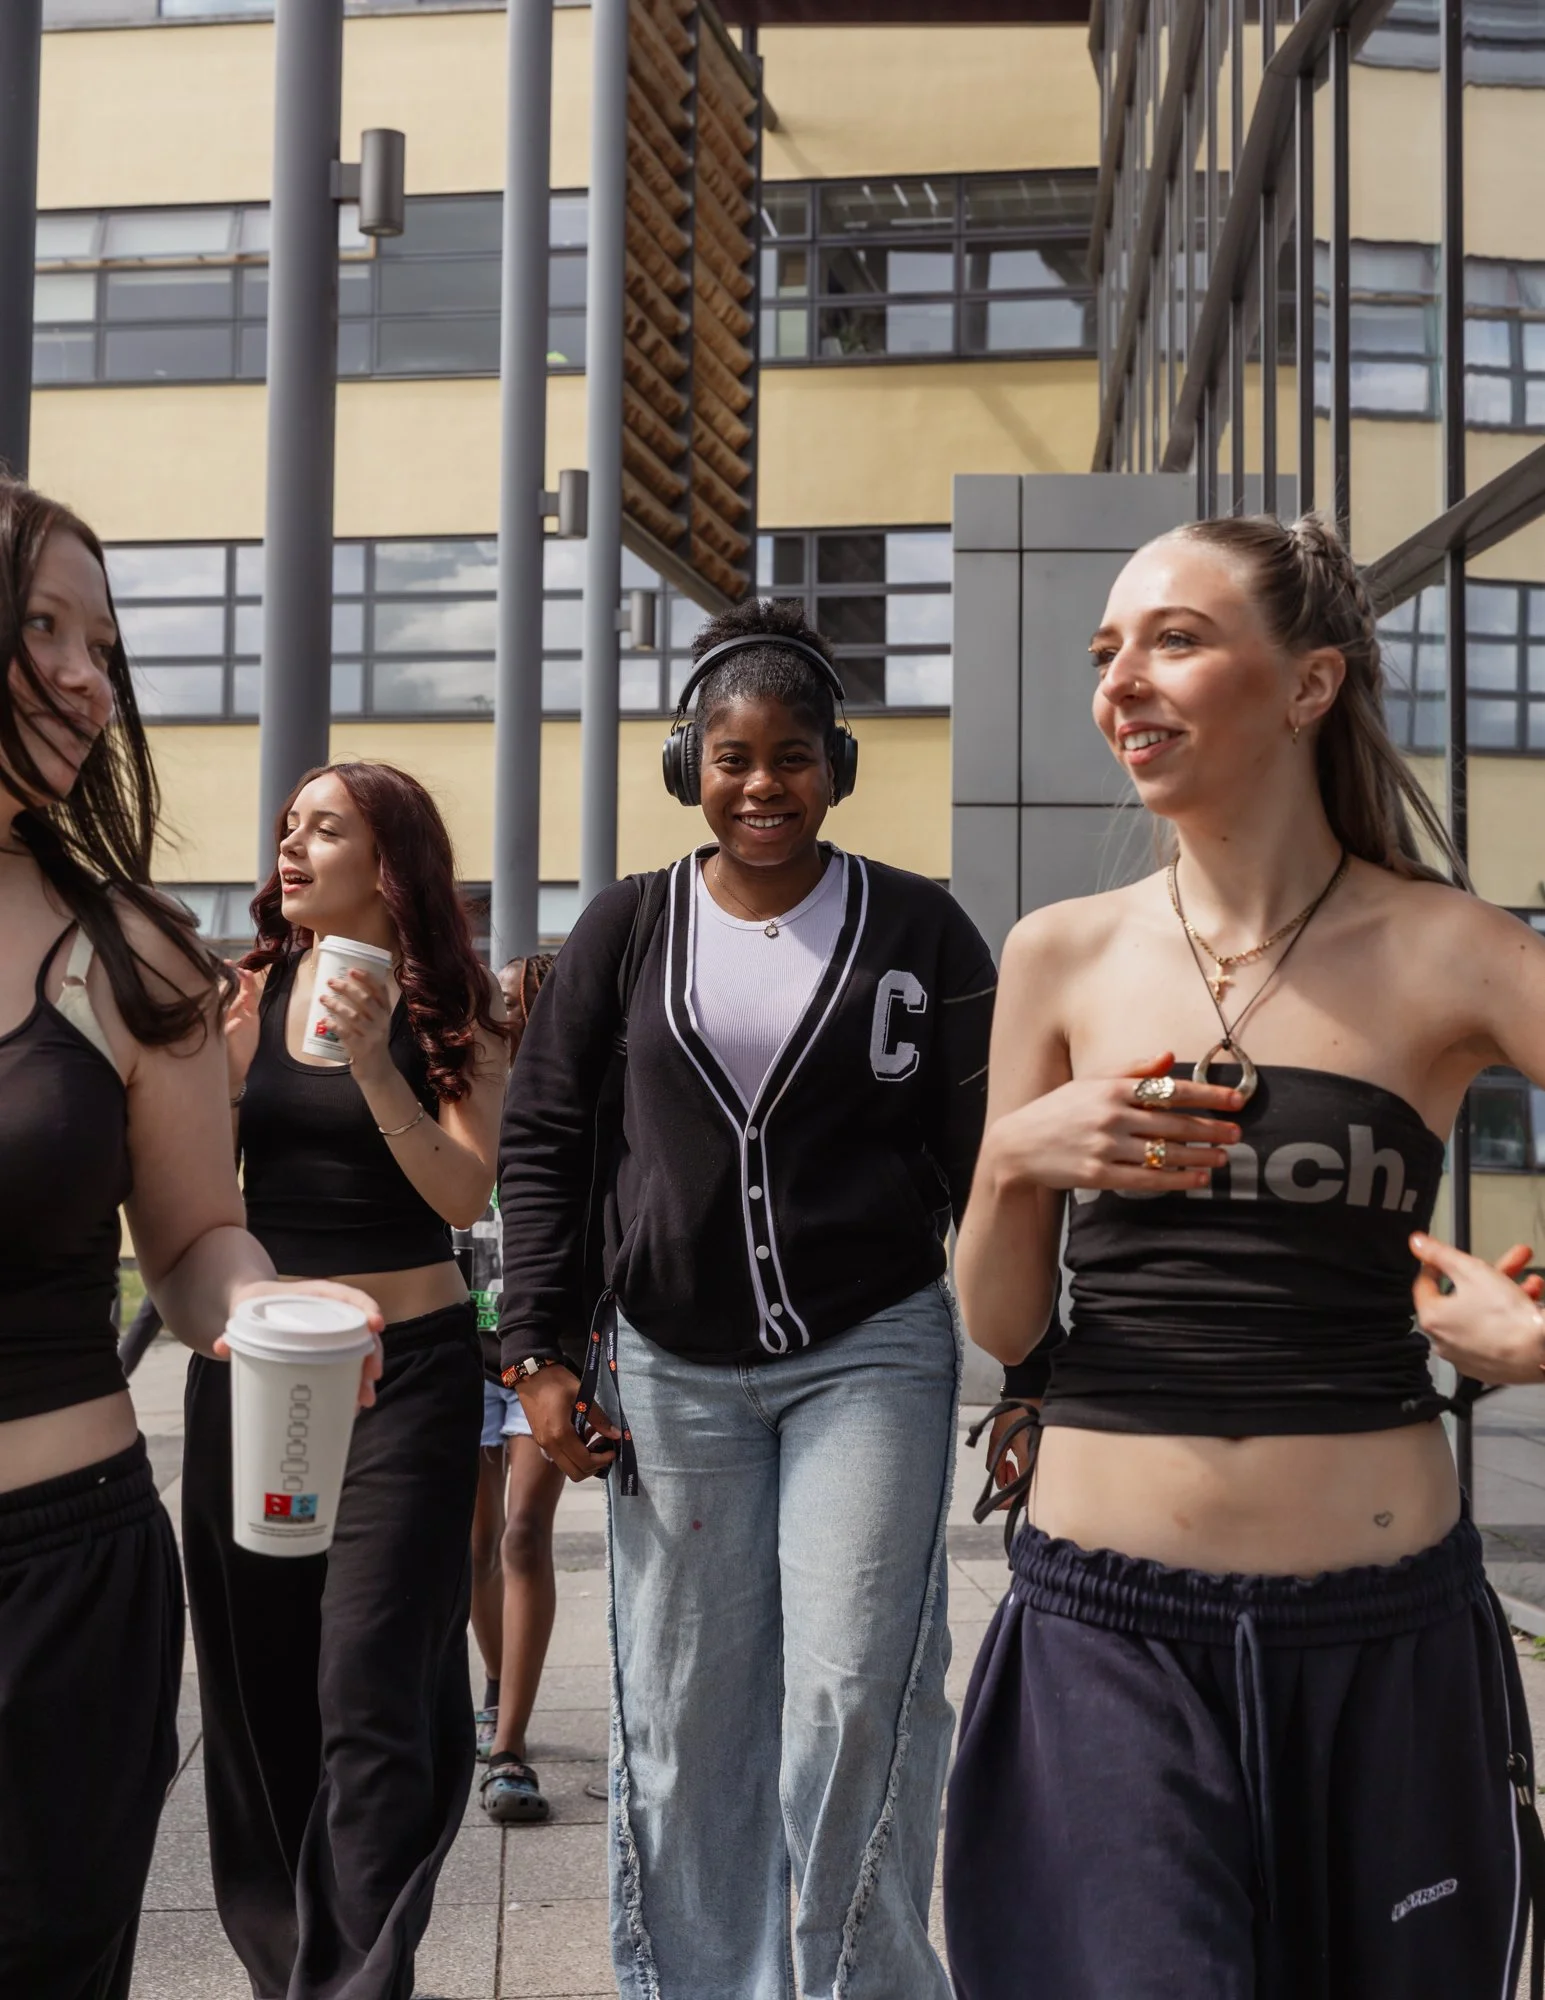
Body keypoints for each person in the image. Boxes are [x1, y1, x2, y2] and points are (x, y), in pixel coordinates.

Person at [943, 511, 1545, 2000]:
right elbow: (1005, 1317)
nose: (1120, 684)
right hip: (1105, 1638)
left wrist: (1538, 1337)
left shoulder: (1452, 949)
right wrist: (1017, 1158)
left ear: (1308, 685)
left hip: (1385, 1641)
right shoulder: (1058, 954)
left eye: (1175, 639)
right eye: (1105, 653)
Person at [499, 596, 1000, 2000]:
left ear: (836, 765)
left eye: (791, 757)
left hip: (875, 1351)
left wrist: (1038, 1362)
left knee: (859, 1690)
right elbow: (542, 1138)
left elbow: (993, 1160)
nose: (761, 784)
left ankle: (864, 1986)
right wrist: (536, 1348)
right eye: (731, 757)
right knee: (688, 1713)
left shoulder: (920, 928)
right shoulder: (625, 927)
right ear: (688, 768)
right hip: (672, 1363)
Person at [0, 476, 380, 2000]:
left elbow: (195, 1240)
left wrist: (270, 1309)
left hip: (63, 1578)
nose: (94, 675)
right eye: (44, 628)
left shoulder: (128, 949)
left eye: (106, 640)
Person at [181, 759, 506, 2000]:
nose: (292, 846)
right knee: (259, 1686)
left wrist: (377, 1064)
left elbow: (466, 1193)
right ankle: (287, 1965)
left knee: (371, 1678)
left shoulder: (457, 1010)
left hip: (408, 1377)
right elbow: (198, 1194)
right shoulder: (247, 995)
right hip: (262, 1367)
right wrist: (210, 1077)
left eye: (326, 828)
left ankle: (354, 1981)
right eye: (287, 826)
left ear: (391, 862)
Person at [460, 951, 565, 1824]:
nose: (504, 1011)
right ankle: (498, 1685)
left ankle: (508, 1748)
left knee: (524, 1535)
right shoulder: (455, 1090)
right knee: (472, 1543)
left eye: (518, 1001)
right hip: (456, 1345)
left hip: (538, 1354)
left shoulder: (576, 1106)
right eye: (495, 999)